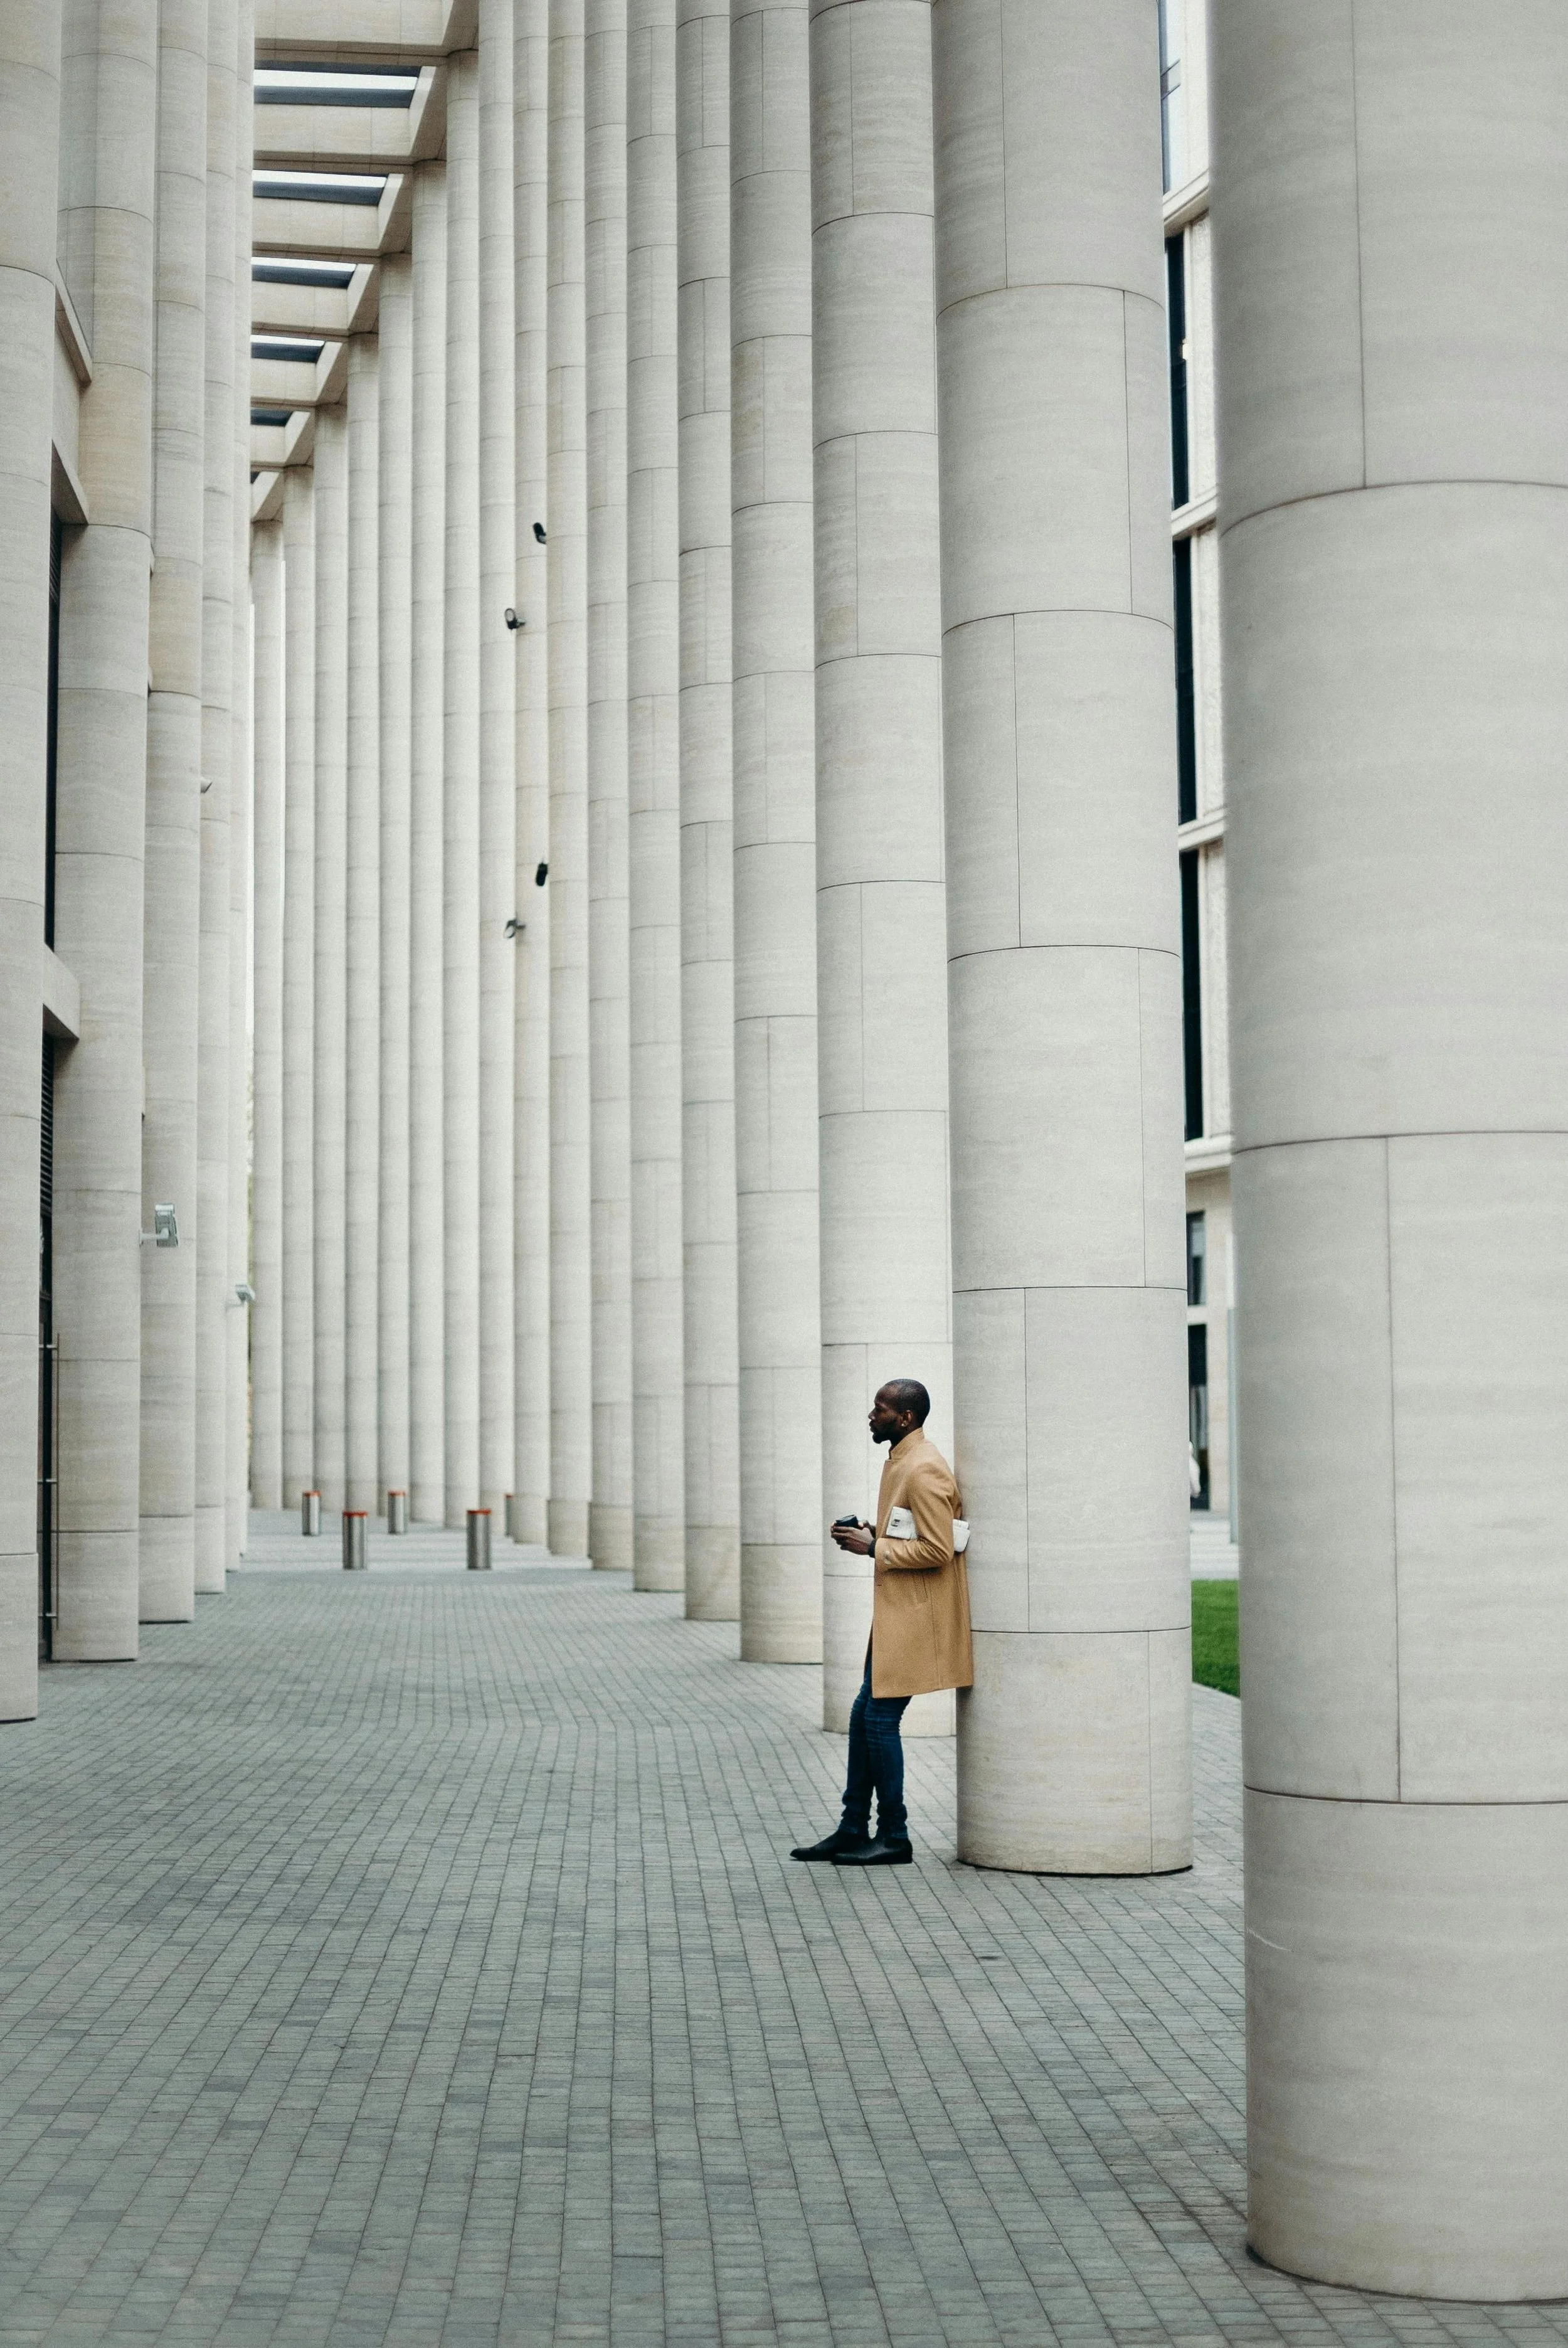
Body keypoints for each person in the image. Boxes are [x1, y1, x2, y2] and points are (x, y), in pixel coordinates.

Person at [791, 1379, 972, 1867]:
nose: (872, 1415)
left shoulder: (924, 1468)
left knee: (879, 1720)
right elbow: (916, 1532)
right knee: (863, 1714)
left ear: (906, 1418)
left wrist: (873, 1547)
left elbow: (939, 1549)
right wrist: (870, 1534)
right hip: (896, 1614)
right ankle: (854, 1826)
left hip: (916, 1617)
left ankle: (895, 1834)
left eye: (881, 1408)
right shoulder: (902, 1461)